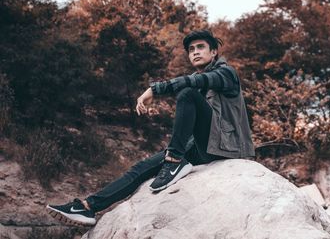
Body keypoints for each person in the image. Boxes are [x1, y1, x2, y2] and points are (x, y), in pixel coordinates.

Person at [46, 30, 254, 226]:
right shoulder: (198, 84)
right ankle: (88, 207)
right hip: (202, 147)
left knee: (187, 93)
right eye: (191, 50)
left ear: (214, 52)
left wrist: (154, 89)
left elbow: (199, 80)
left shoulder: (226, 73)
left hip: (227, 147)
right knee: (141, 168)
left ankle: (174, 161)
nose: (196, 52)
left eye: (201, 47)